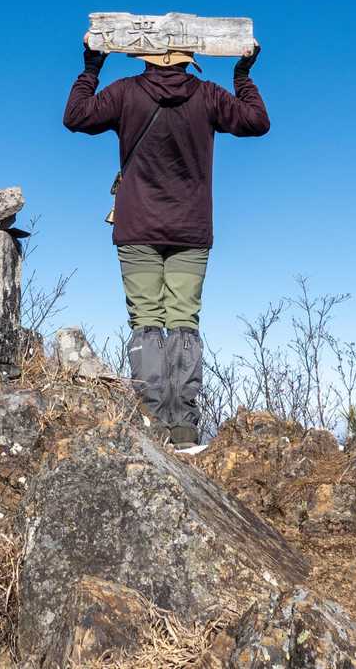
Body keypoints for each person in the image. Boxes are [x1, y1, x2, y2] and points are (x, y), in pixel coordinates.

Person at [62, 40, 270, 446]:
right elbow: (257, 121)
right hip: (191, 228)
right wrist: (242, 77)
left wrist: (91, 69)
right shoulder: (208, 95)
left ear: (146, 56)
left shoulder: (125, 93)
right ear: (188, 60)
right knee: (184, 321)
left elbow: (75, 116)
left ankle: (152, 420)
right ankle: (184, 424)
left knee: (146, 321)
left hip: (137, 226)